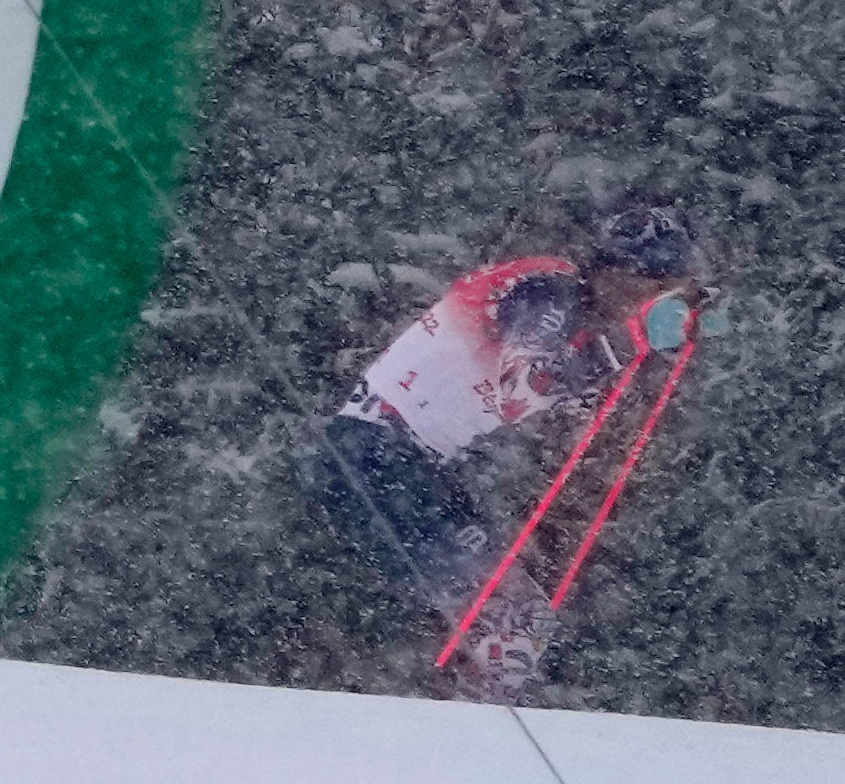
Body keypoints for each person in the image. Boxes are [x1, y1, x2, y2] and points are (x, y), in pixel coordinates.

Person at [299, 200, 704, 697]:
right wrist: (632, 339)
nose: (648, 303)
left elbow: (576, 399)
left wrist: (692, 324)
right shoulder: (552, 293)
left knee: (485, 612)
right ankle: (468, 725)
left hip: (393, 459)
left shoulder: (572, 316)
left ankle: (440, 708)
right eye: (650, 288)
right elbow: (522, 385)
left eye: (667, 293)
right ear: (615, 272)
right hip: (377, 457)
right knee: (509, 609)